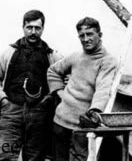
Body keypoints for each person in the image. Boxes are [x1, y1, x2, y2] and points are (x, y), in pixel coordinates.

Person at [0, 10, 63, 161]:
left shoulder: (52, 55)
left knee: (36, 158)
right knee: (4, 156)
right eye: (29, 27)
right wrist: (3, 101)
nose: (33, 32)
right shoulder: (9, 52)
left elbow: (64, 79)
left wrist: (49, 99)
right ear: (23, 27)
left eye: (37, 28)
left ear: (43, 29)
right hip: (11, 112)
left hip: (39, 115)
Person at [47, 17, 117, 161]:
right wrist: (60, 93)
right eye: (82, 36)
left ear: (100, 35)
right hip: (59, 122)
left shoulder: (107, 61)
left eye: (90, 34)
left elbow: (103, 89)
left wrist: (95, 112)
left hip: (82, 126)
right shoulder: (75, 57)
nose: (86, 39)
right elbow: (53, 71)